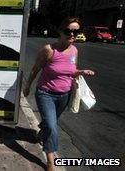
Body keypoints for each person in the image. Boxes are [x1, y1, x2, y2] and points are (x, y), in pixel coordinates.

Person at [23, 17, 95, 171]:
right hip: (45, 94)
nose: (72, 34)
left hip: (64, 95)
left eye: (76, 31)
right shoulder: (49, 50)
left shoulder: (75, 50)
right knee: (52, 125)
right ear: (60, 31)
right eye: (68, 31)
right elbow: (35, 68)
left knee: (50, 124)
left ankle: (42, 133)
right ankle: (51, 160)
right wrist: (28, 85)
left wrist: (81, 72)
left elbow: (70, 71)